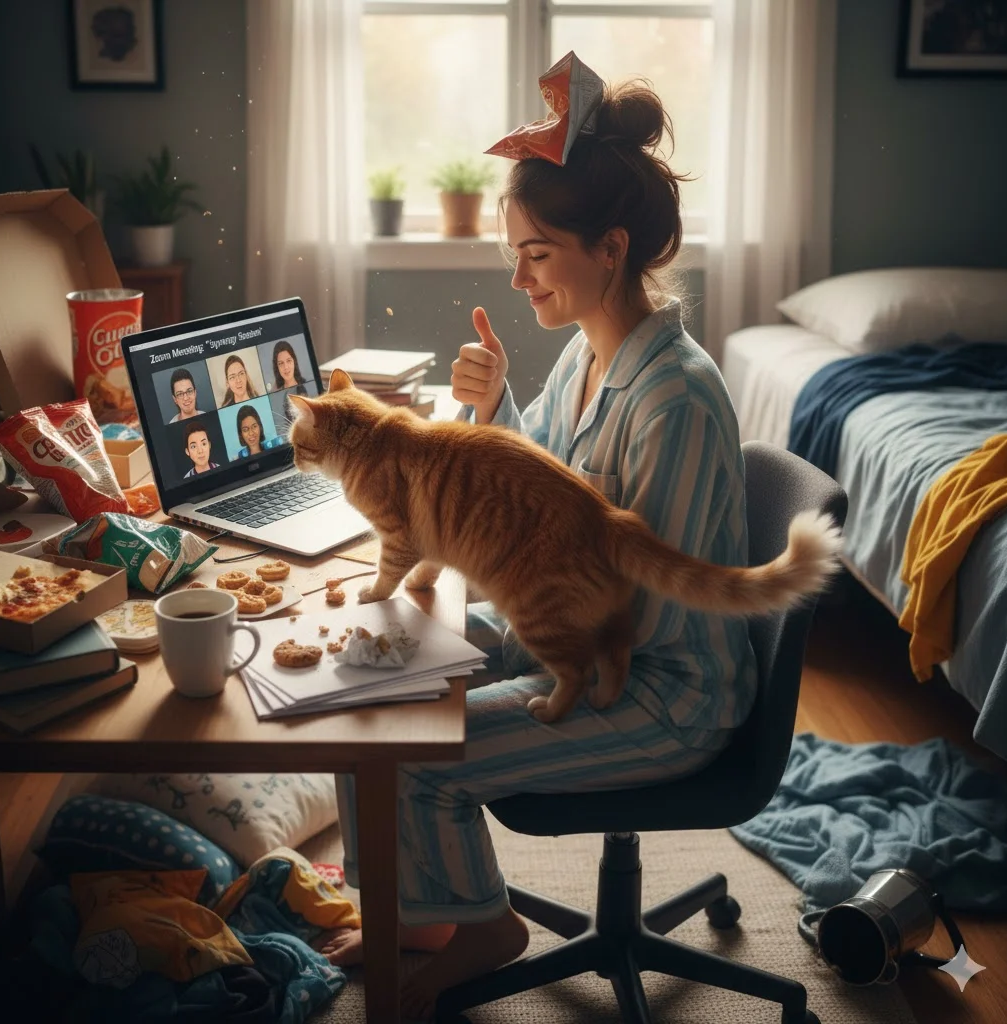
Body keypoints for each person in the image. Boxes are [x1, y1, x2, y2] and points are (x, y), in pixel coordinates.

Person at [320, 77, 757, 1020]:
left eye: (536, 255)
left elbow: (648, 603)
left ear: (611, 249)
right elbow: (549, 490)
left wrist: (481, 637)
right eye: (513, 256)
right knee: (366, 691)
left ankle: (484, 930)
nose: (519, 282)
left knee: (420, 745)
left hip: (659, 682)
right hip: (578, 620)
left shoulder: (672, 397)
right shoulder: (590, 348)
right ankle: (415, 907)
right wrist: (493, 408)